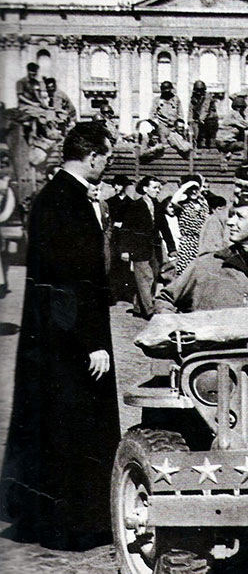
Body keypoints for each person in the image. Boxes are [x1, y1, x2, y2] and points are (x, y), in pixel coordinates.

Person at [0, 123, 119, 550]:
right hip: (72, 335)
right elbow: (73, 279)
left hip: (47, 333)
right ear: (92, 157)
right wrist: (93, 342)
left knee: (47, 423)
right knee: (74, 424)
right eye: (107, 155)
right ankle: (77, 523)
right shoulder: (69, 203)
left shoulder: (52, 198)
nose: (108, 163)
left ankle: (41, 518)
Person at [119, 175, 165, 319]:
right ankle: (149, 310)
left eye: (159, 188)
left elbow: (164, 226)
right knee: (146, 278)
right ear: (145, 189)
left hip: (154, 248)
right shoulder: (135, 206)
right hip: (139, 248)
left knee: (152, 277)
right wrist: (124, 250)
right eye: (154, 187)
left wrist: (171, 246)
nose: (158, 190)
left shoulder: (158, 206)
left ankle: (138, 308)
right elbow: (126, 229)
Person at [189, 80, 218, 148]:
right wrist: (190, 119)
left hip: (210, 118)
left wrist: (201, 119)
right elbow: (191, 108)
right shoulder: (194, 97)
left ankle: (210, 140)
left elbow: (205, 108)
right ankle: (199, 140)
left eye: (200, 90)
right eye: (197, 90)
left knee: (209, 124)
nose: (199, 92)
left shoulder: (207, 96)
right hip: (200, 118)